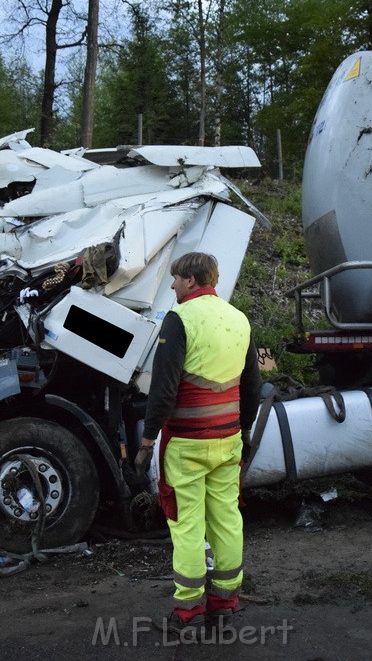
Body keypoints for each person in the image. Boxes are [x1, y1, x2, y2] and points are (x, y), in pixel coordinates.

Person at [135, 251, 262, 634]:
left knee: (187, 524)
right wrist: (243, 430)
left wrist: (146, 439)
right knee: (226, 517)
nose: (172, 285)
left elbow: (163, 390)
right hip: (228, 439)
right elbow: (252, 386)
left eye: (175, 278)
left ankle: (188, 613)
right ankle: (226, 603)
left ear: (191, 280)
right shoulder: (238, 319)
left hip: (187, 443)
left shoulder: (179, 320)